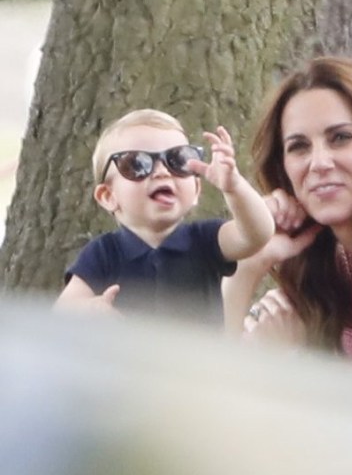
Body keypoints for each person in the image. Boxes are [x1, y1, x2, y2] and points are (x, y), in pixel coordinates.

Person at [222, 57, 352, 376]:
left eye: (340, 138)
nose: (319, 163)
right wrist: (249, 263)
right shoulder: (321, 275)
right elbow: (211, 389)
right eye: (299, 147)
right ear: (284, 169)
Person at [55, 108, 278, 326]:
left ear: (196, 190)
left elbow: (258, 233)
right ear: (108, 196)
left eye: (178, 161)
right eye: (137, 164)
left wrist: (234, 186)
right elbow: (62, 311)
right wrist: (91, 309)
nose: (162, 172)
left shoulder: (206, 240)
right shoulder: (104, 253)